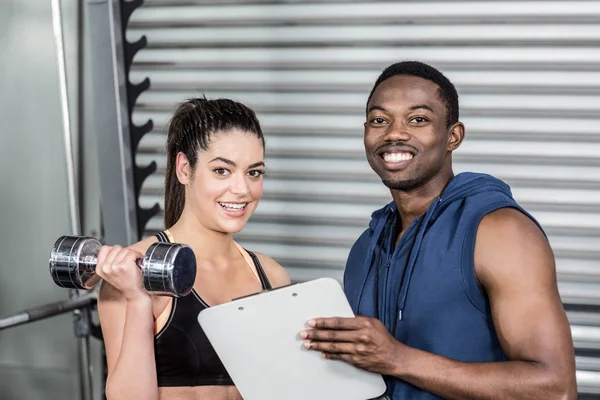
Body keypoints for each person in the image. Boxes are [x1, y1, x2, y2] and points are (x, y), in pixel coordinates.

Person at [299, 61, 577, 399]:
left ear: (453, 136)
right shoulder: (367, 245)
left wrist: (396, 358)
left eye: (418, 119)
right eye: (378, 120)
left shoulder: (500, 231)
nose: (394, 133)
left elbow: (554, 389)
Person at [96, 97, 290, 400]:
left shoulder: (272, 276)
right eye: (222, 171)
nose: (242, 189)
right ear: (185, 169)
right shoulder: (132, 271)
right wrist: (137, 299)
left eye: (254, 172)